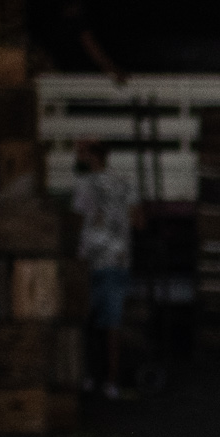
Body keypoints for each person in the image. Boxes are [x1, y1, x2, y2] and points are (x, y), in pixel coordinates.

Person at [69, 141, 137, 394]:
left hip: (90, 261)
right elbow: (138, 220)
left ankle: (90, 376)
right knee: (112, 324)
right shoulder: (125, 183)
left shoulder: (83, 185)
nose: (77, 158)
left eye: (81, 154)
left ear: (92, 157)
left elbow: (76, 222)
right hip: (117, 259)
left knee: (87, 323)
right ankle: (111, 381)